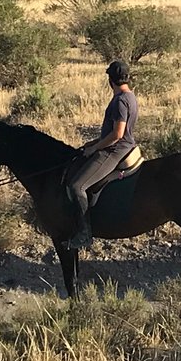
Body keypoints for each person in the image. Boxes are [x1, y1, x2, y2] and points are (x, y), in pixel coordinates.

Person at [65, 60, 139, 250]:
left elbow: (117, 134)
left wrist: (94, 149)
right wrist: (92, 143)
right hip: (124, 145)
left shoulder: (120, 101)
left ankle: (84, 234)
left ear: (110, 80)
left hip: (114, 151)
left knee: (76, 186)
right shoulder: (130, 96)